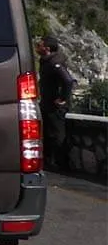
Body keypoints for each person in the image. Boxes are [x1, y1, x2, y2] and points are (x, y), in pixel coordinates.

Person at [37, 34, 76, 170]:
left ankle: (61, 165)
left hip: (55, 107)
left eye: (40, 45)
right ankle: (48, 162)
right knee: (47, 134)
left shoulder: (55, 63)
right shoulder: (46, 61)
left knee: (57, 135)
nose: (37, 47)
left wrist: (63, 99)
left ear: (46, 48)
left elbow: (68, 81)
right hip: (47, 104)